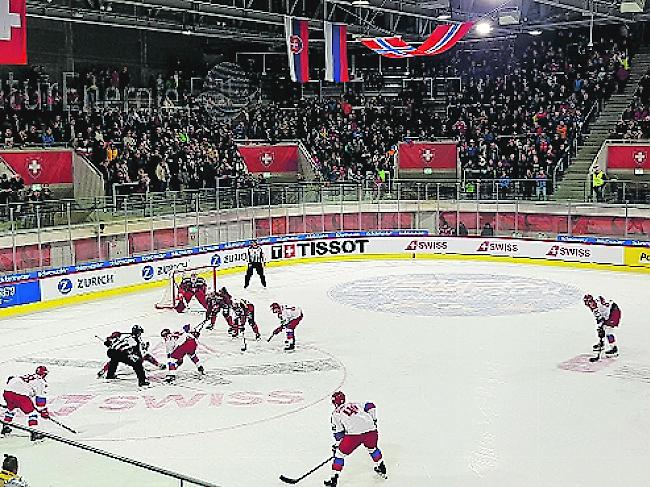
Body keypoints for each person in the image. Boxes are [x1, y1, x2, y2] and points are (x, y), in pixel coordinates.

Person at [324, 391, 387, 487]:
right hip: (371, 431)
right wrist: (373, 420)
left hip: (354, 436)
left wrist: (337, 445)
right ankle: (381, 467)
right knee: (372, 449)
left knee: (339, 455)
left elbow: (338, 434)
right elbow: (371, 405)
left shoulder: (335, 414)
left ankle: (333, 479)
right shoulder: (355, 404)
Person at [2, 366, 49, 441]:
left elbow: (10, 379)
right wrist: (43, 411)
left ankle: (6, 426)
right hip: (20, 395)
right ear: (44, 374)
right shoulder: (41, 382)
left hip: (7, 392)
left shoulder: (29, 376)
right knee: (32, 413)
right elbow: (40, 399)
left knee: (12, 409)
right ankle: (34, 432)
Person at [97, 326, 164, 378]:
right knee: (144, 358)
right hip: (128, 355)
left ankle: (104, 371)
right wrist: (110, 340)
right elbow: (114, 342)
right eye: (140, 332)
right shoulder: (131, 339)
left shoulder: (132, 338)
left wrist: (145, 347)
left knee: (114, 360)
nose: (140, 334)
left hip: (126, 354)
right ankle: (155, 367)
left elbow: (114, 344)